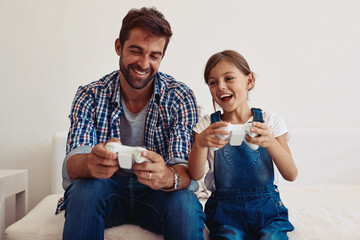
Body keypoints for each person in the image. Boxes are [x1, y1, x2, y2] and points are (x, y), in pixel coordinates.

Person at [58, 7, 205, 240]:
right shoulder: (90, 95)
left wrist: (167, 176)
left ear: (162, 57)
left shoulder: (179, 96)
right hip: (105, 189)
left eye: (154, 56)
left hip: (157, 195)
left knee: (185, 202)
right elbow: (74, 164)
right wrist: (91, 162)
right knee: (84, 191)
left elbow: (185, 172)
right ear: (119, 46)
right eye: (136, 51)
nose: (144, 64)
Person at [188, 50, 298, 239]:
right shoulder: (206, 126)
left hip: (268, 210)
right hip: (225, 213)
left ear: (249, 81)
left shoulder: (270, 122)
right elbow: (195, 175)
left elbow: (291, 174)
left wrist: (270, 142)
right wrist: (199, 144)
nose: (220, 86)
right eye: (212, 82)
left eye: (229, 78)